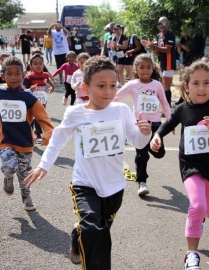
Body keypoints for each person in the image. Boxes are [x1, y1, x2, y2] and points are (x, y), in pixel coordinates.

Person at [23, 56, 152, 269]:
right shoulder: (76, 113)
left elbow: (138, 142)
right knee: (95, 230)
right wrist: (43, 165)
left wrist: (145, 133)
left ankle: (78, 233)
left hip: (114, 187)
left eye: (112, 86)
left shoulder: (121, 111)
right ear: (86, 87)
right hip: (85, 184)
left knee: (100, 231)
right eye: (101, 86)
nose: (108, 91)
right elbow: (58, 139)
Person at [150, 60, 209, 270]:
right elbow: (167, 124)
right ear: (187, 86)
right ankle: (191, 255)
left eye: (206, 83)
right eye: (196, 83)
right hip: (190, 165)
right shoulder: (183, 109)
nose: (201, 88)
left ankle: (199, 221)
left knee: (206, 210)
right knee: (197, 206)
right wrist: (157, 136)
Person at [0, 56, 54, 211]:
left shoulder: (28, 96)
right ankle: (8, 178)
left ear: (23, 75)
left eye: (17, 73)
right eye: (9, 74)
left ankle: (26, 196)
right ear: (3, 76)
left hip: (24, 142)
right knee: (10, 165)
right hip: (4, 140)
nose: (13, 77)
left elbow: (42, 116)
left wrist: (48, 133)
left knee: (24, 173)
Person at [114, 53, 171, 196]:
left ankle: (150, 148)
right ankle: (142, 182)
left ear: (152, 69)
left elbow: (164, 102)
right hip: (139, 125)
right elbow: (116, 97)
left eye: (148, 67)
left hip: (156, 124)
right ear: (135, 70)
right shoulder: (132, 84)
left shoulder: (157, 84)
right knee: (141, 155)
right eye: (142, 67)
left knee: (159, 153)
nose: (145, 70)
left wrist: (170, 122)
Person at [143, 17, 176, 107]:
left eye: (164, 23)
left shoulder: (170, 34)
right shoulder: (159, 36)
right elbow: (158, 53)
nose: (161, 25)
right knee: (161, 86)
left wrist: (155, 47)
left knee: (165, 87)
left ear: (168, 24)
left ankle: (167, 109)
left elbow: (168, 50)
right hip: (162, 63)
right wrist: (152, 47)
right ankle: (164, 107)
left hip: (169, 63)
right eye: (159, 23)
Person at [22, 53, 55, 143]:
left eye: (40, 63)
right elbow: (23, 88)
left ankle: (38, 133)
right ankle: (29, 134)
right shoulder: (29, 77)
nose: (38, 66)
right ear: (31, 66)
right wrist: (30, 89)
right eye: (35, 64)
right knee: (31, 118)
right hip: (31, 102)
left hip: (42, 101)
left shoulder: (45, 75)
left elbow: (47, 80)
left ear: (43, 65)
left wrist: (52, 86)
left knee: (39, 117)